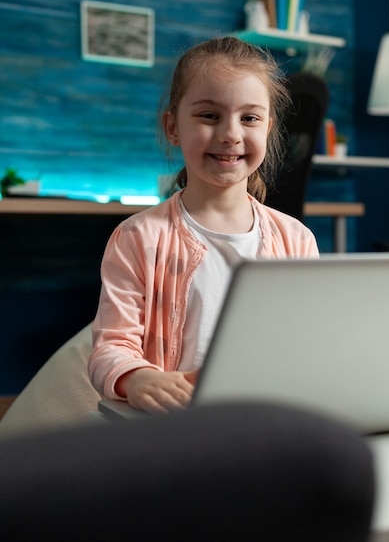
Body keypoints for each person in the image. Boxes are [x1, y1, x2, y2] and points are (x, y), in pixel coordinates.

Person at [88, 36, 319, 414]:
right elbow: (111, 347)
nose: (231, 133)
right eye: (209, 115)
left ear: (268, 128)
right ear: (173, 127)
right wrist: (136, 378)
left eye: (249, 118)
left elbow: (308, 343)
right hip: (175, 426)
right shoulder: (138, 237)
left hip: (264, 419)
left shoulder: (296, 239)